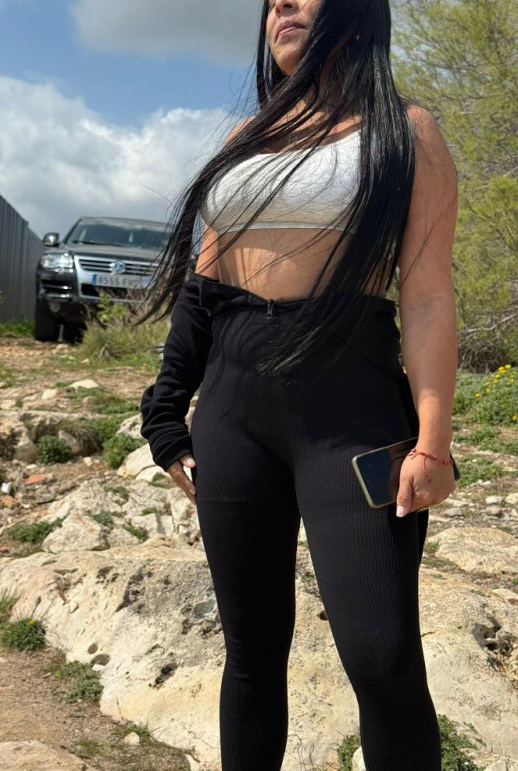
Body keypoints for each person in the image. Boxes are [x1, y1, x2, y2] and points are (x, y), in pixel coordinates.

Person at [136, 0, 459, 768]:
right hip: (234, 409)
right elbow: (204, 287)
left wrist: (433, 441)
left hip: (351, 408)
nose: (280, 3)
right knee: (250, 654)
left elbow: (426, 296)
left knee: (383, 657)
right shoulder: (246, 138)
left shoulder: (406, 132)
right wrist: (165, 410)